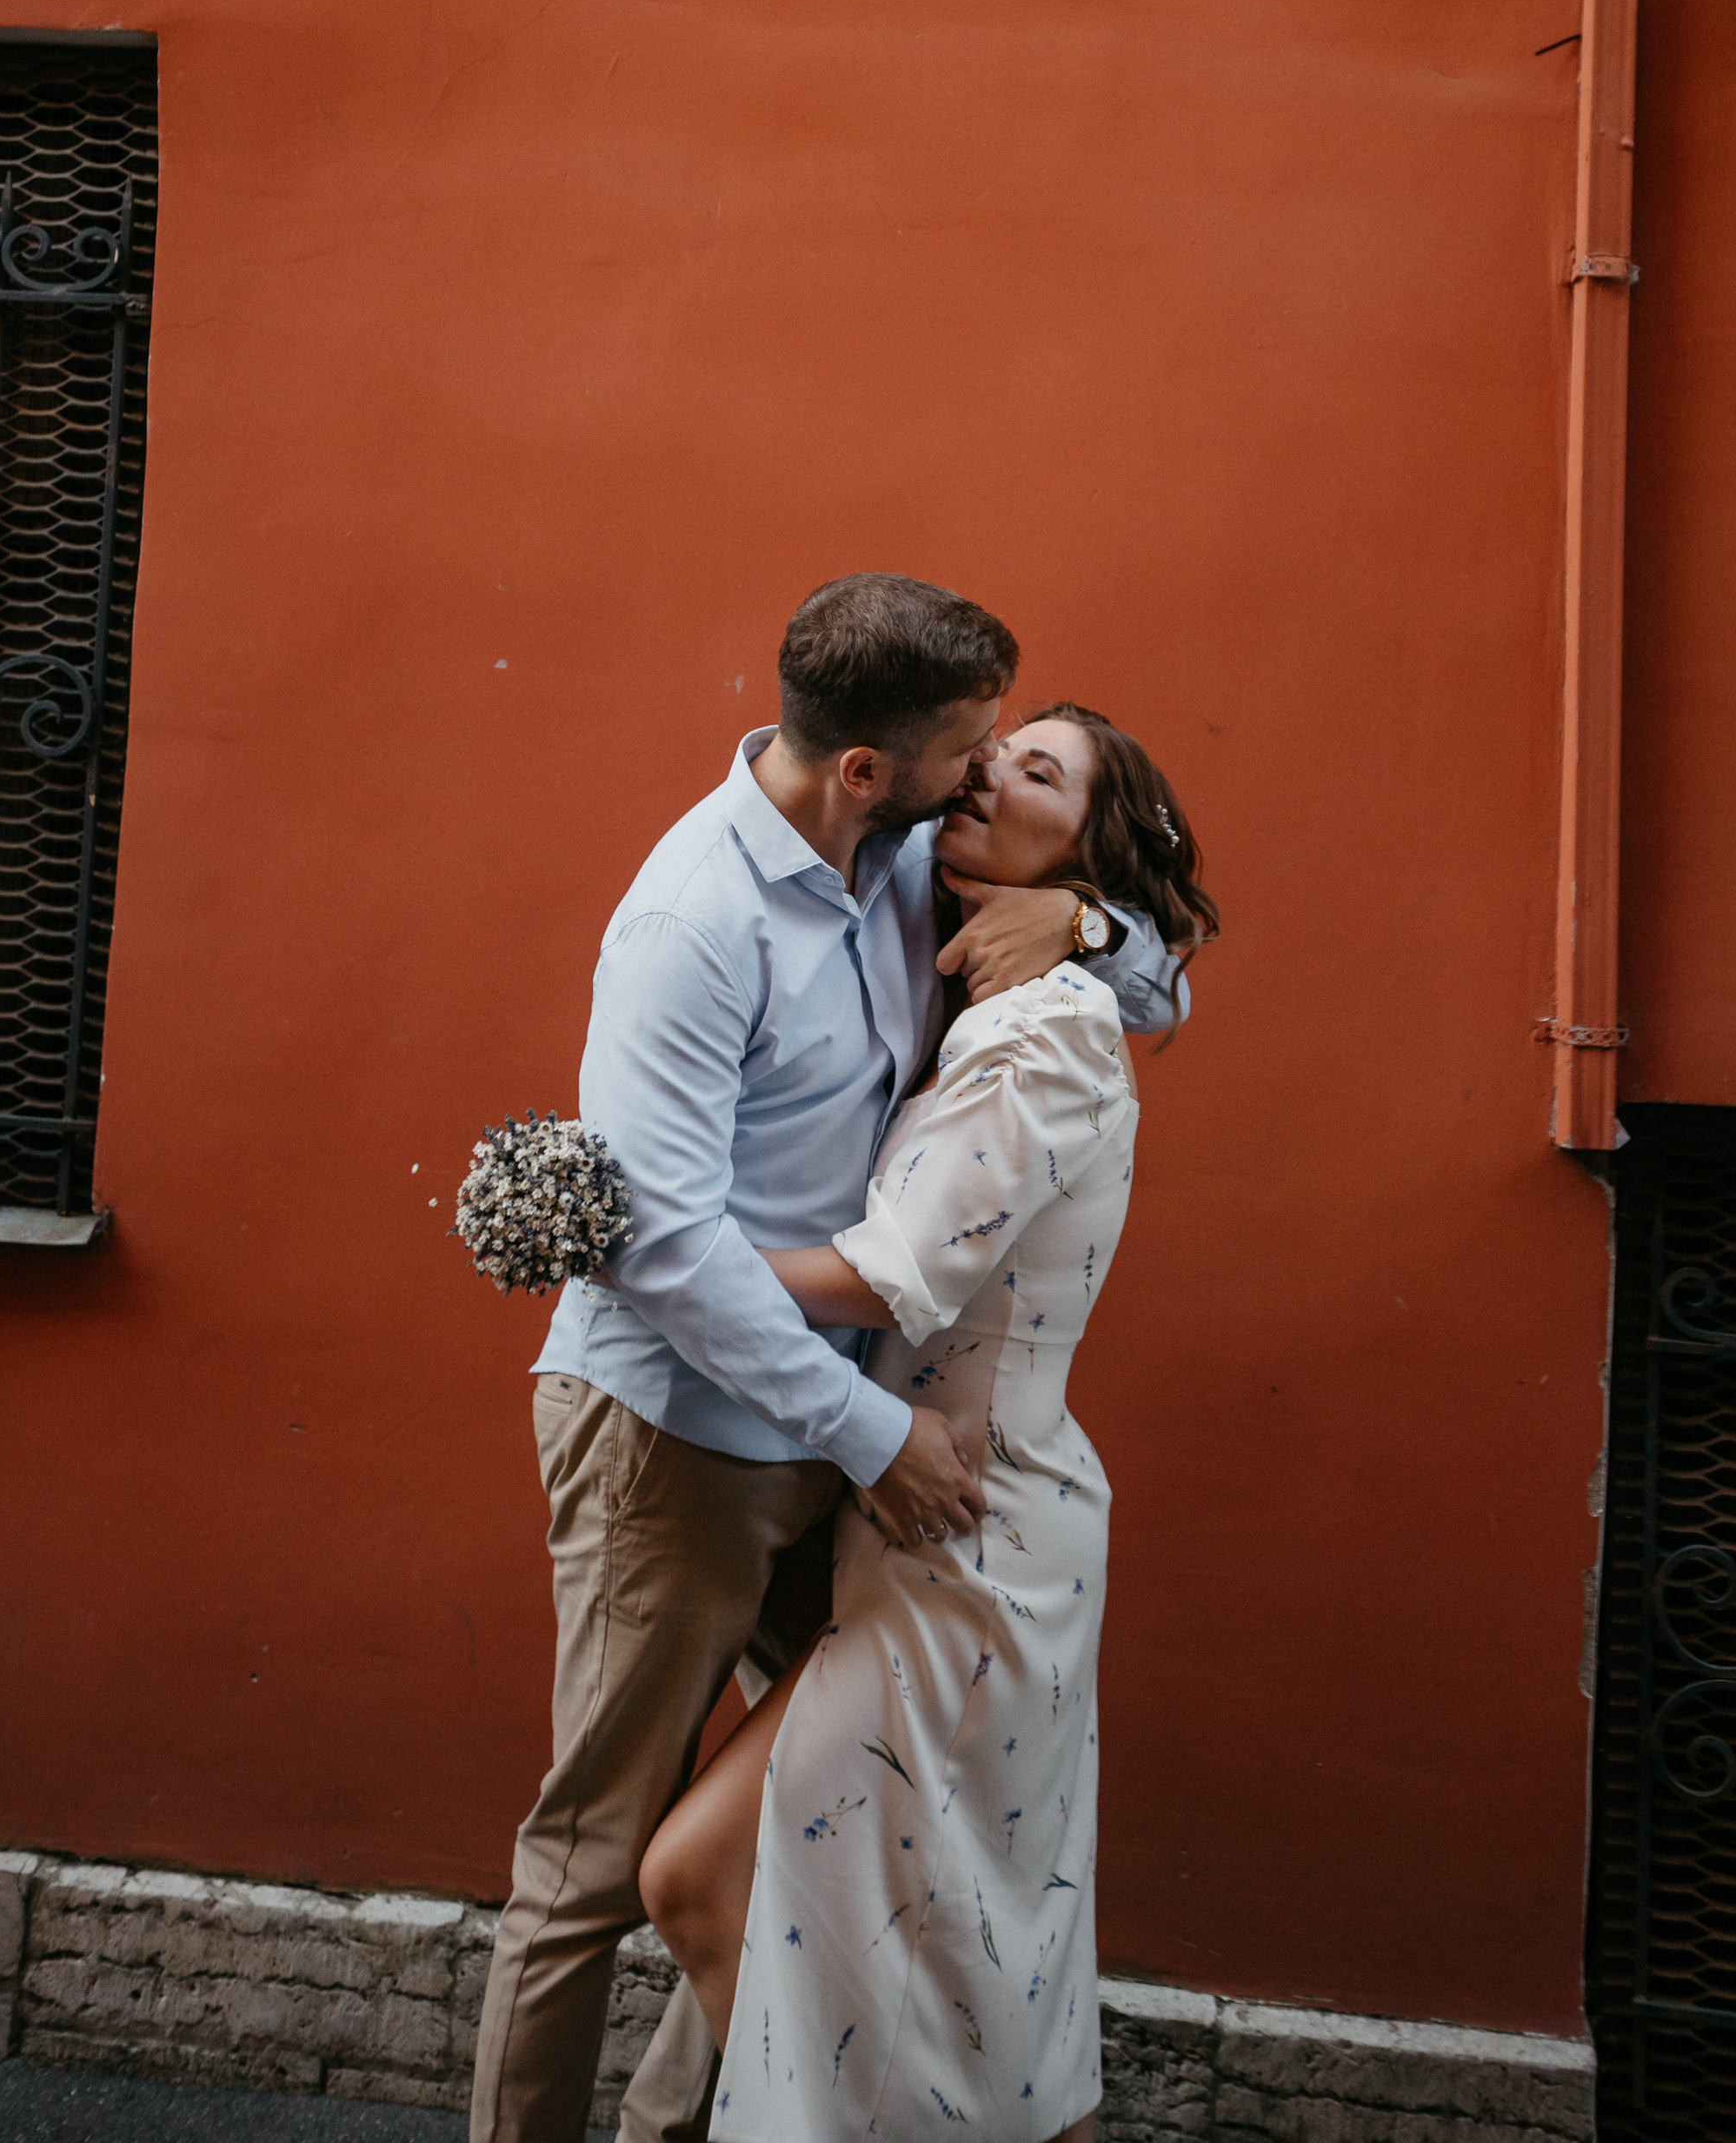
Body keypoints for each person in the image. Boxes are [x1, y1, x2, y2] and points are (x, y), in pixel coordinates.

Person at [469, 579, 1190, 2143]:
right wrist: (868, 1429)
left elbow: (1160, 981)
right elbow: (661, 1248)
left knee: (807, 1832)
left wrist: (1089, 915)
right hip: (679, 1436)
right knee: (600, 1862)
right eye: (971, 751)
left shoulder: (909, 865)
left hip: (854, 1447)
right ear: (869, 768)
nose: (985, 773)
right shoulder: (692, 921)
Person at [635, 702, 1215, 2143]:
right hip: (923, 1508)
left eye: (1041, 772)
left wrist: (647, 1242)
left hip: (970, 1518)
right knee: (970, 1945)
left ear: (1089, 844)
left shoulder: (1047, 1020)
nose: (992, 771)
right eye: (996, 748)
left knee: (709, 1878)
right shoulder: (911, 875)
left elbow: (893, 1268)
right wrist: (1087, 930)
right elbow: (1155, 972)